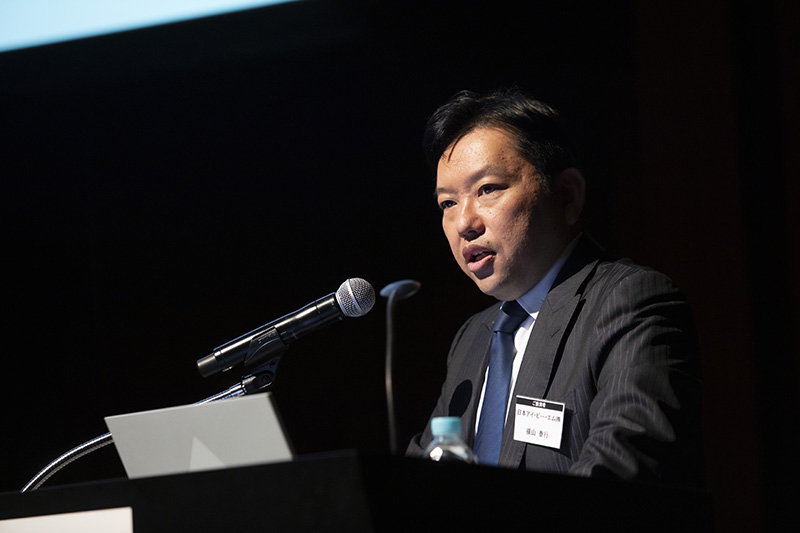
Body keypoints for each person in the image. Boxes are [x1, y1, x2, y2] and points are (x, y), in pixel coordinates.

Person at [407, 88, 703, 487]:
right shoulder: (472, 337)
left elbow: (619, 473)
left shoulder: (631, 302)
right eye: (448, 203)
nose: (464, 223)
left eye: (488, 189)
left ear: (567, 194)